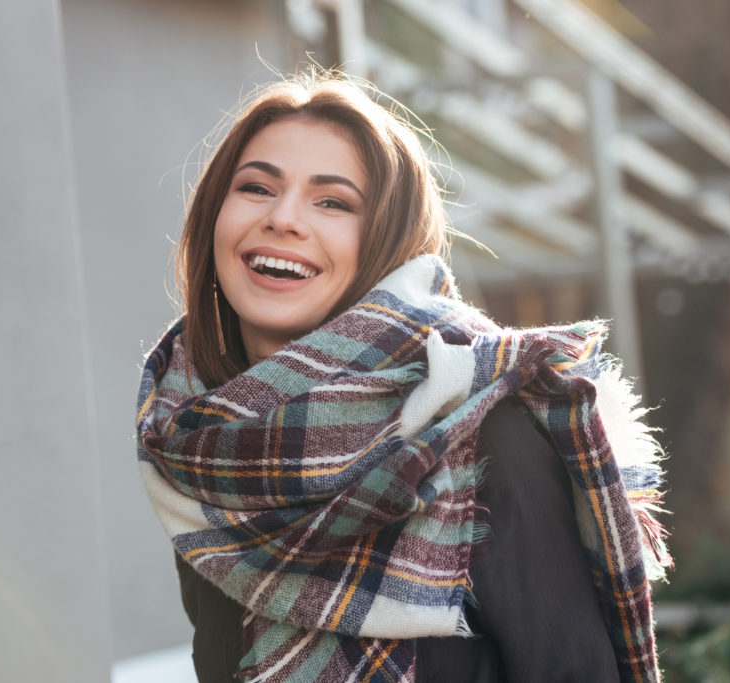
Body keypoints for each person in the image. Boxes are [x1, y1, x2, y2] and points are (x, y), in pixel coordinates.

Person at [136, 71, 670, 683]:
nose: (283, 218)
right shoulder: (198, 450)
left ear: (386, 242)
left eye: (333, 201)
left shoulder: (476, 430)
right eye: (256, 188)